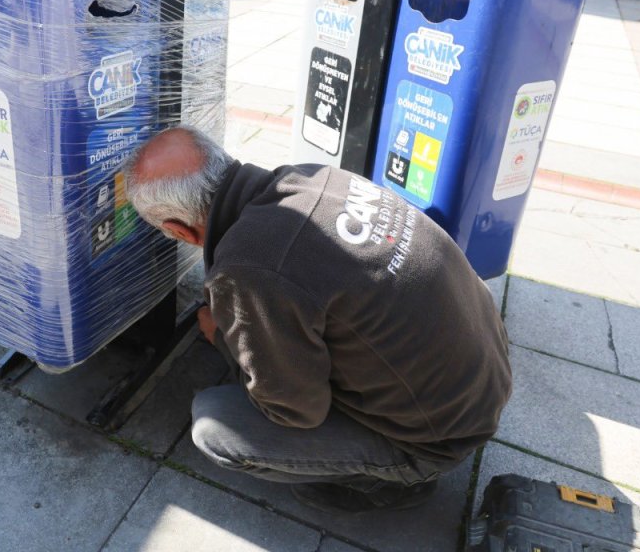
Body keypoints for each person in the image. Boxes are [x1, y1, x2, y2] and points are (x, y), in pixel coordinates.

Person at [123, 127, 512, 514]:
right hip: (484, 375)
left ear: (177, 229)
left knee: (214, 426)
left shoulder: (249, 269)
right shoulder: (312, 176)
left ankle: (390, 481)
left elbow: (294, 410)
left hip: (438, 438)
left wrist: (221, 337)